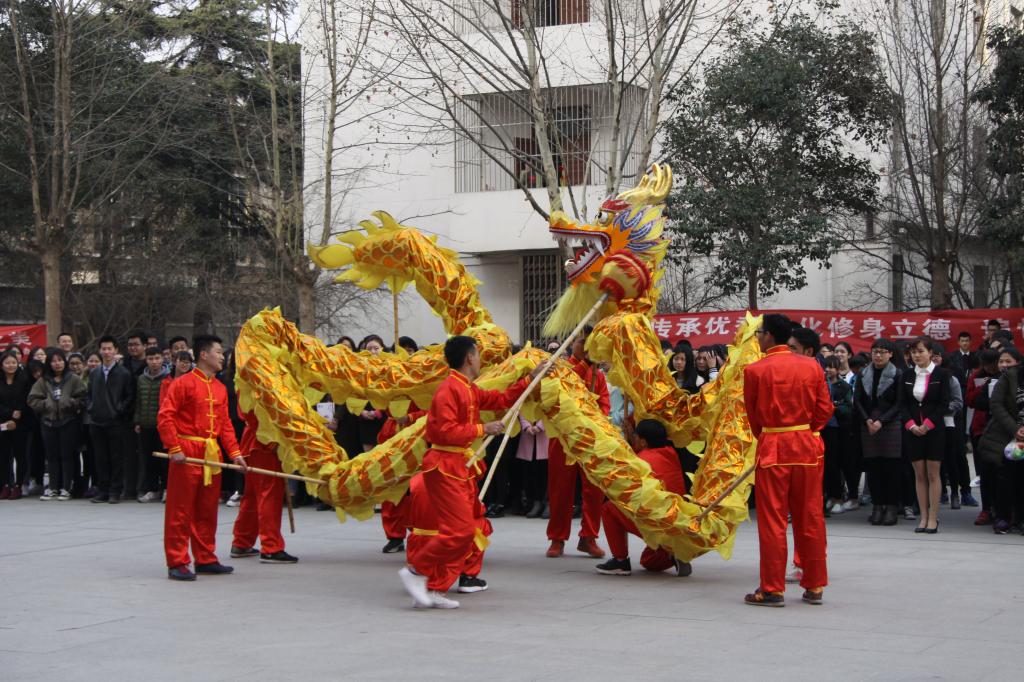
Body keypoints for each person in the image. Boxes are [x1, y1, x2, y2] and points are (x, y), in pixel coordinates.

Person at [399, 335, 546, 609]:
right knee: (460, 531)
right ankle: (417, 571)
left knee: (465, 531)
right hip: (444, 464)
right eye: (478, 355)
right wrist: (482, 429)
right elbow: (440, 431)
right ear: (469, 357)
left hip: (458, 466)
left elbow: (499, 398)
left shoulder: (468, 388)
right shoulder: (448, 390)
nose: (480, 360)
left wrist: (530, 380)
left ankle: (434, 589)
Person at [743, 314, 832, 607]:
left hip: (773, 447)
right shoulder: (812, 366)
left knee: (773, 520)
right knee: (810, 516)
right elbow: (824, 409)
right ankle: (815, 584)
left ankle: (772, 588)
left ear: (769, 336)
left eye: (759, 333)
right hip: (806, 446)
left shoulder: (755, 370)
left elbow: (753, 417)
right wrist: (808, 430)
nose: (757, 338)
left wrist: (770, 434)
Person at [158, 335, 247, 581]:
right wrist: (174, 449)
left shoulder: (219, 388)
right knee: (180, 510)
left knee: (207, 509)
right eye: (218, 352)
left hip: (211, 453)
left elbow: (225, 425)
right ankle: (177, 560)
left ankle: (206, 557)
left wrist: (235, 454)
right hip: (187, 452)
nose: (222, 357)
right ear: (204, 355)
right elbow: (165, 416)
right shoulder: (183, 383)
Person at [595, 418, 692, 577]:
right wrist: (630, 439)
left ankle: (620, 561)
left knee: (609, 507)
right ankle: (671, 552)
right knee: (648, 561)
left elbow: (627, 470)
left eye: (636, 436)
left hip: (655, 523)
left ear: (644, 442)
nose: (634, 438)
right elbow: (641, 456)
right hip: (676, 524)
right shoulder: (671, 453)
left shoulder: (642, 461)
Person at [546, 326, 608, 559]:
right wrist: (584, 364)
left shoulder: (599, 375)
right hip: (563, 438)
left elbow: (604, 404)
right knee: (560, 489)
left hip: (589, 440)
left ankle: (589, 536)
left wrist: (596, 419)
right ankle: (557, 538)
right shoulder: (562, 369)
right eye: (581, 342)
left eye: (589, 342)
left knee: (593, 490)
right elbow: (563, 393)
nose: (585, 347)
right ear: (572, 343)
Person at [230, 409, 298, 563]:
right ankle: (271, 547)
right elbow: (255, 414)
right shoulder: (253, 385)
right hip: (264, 442)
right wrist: (273, 440)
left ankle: (242, 542)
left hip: (257, 441)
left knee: (253, 495)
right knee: (270, 493)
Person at [898, 336, 950, 534]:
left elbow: (944, 403)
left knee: (933, 474)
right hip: (913, 431)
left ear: (930, 352)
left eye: (920, 351)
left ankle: (933, 517)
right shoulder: (907, 375)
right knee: (919, 475)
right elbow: (902, 404)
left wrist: (927, 425)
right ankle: (923, 517)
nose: (916, 355)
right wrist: (911, 425)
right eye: (913, 352)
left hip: (934, 430)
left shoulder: (942, 374)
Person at [27, 348, 87, 501]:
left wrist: (70, 402)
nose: (57, 364)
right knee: (51, 456)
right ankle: (53, 487)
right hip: (48, 422)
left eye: (60, 360)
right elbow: (32, 399)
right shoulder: (44, 380)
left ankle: (67, 487)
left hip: (68, 421)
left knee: (67, 456)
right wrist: (46, 404)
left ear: (64, 362)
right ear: (49, 363)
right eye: (53, 361)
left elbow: (83, 398)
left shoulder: (73, 379)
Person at [977, 347, 1024, 534]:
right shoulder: (1011, 376)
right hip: (1006, 436)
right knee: (1005, 479)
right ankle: (1003, 517)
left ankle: (1020, 518)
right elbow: (995, 404)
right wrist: (1015, 428)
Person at [88, 336, 135, 503]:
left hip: (116, 422)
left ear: (116, 350)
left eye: (109, 349)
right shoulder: (94, 373)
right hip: (97, 421)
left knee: (116, 457)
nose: (106, 352)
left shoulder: (124, 373)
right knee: (100, 458)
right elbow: (89, 394)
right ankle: (103, 490)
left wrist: (119, 410)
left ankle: (115, 491)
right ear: (100, 350)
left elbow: (129, 396)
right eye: (103, 349)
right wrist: (91, 408)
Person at [966, 349, 1000, 524]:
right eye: (987, 365)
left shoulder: (1005, 374)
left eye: (993, 364)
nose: (991, 368)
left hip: (1002, 430)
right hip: (981, 429)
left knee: (1001, 473)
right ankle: (986, 509)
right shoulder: (977, 376)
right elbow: (971, 400)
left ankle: (1002, 509)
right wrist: (982, 387)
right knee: (985, 472)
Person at [134, 346, 169, 503]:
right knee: (148, 460)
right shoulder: (141, 379)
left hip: (162, 425)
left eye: (157, 358)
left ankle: (166, 489)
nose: (154, 362)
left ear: (162, 359)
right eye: (150, 359)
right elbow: (138, 402)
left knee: (164, 460)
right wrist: (137, 420)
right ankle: (151, 489)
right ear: (146, 360)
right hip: (145, 424)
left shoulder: (168, 378)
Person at [822, 356, 854, 516]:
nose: (828, 370)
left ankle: (838, 497)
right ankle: (829, 496)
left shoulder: (844, 386)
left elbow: (849, 408)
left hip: (838, 429)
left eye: (831, 367)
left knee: (835, 464)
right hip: (823, 427)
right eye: (826, 367)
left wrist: (834, 407)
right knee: (825, 465)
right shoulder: (821, 383)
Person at [0, 350, 30, 500]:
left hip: (21, 424)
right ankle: (5, 485)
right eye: (7, 363)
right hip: (2, 423)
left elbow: (26, 401)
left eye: (13, 362)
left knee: (20, 455)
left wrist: (16, 418)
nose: (11, 365)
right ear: (2, 365)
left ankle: (18, 485)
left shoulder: (24, 380)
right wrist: (9, 415)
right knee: (3, 456)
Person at [515, 414, 549, 518]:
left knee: (546, 473)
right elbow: (521, 410)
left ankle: (548, 502)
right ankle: (536, 502)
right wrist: (526, 426)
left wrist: (539, 426)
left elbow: (552, 409)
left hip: (546, 435)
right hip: (528, 436)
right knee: (530, 473)